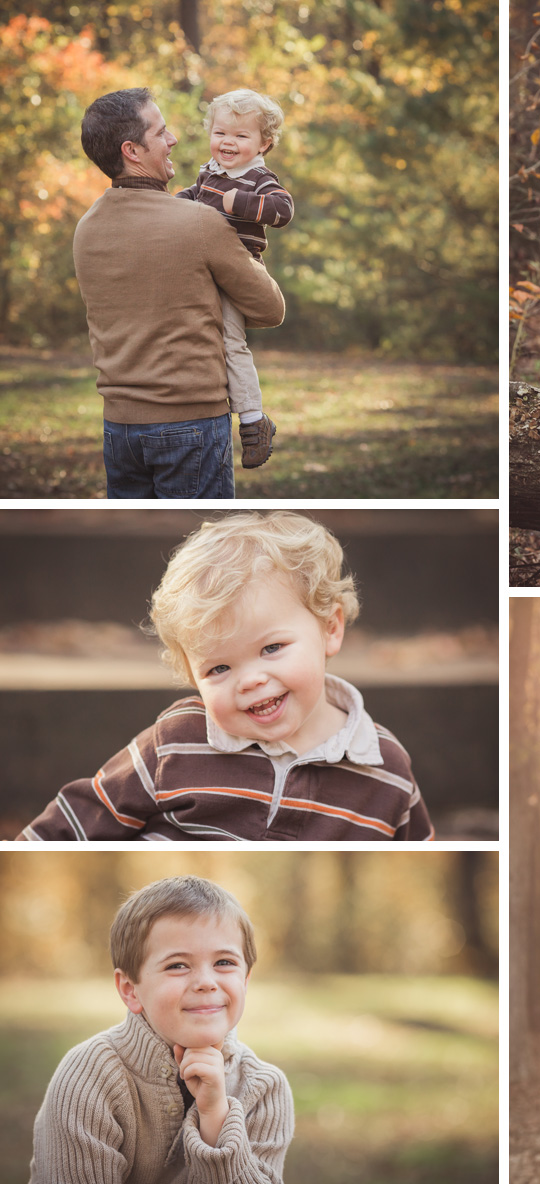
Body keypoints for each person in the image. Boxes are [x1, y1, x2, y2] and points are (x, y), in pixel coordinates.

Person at [16, 512, 434, 842]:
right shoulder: (177, 741)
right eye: (218, 668)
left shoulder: (383, 767)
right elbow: (74, 821)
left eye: (271, 649)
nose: (250, 680)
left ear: (330, 628)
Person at [73, 87, 285, 498]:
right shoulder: (199, 223)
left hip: (119, 431)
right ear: (132, 150)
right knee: (204, 544)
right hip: (191, 424)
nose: (173, 140)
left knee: (137, 548)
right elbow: (269, 308)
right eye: (162, 132)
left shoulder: (87, 227)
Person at [28, 875, 294, 1182]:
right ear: (130, 989)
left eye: (223, 962)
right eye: (177, 965)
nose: (206, 982)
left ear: (245, 980)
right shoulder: (89, 1076)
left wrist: (215, 1119)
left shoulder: (264, 1089)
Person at [177, 89, 295, 470]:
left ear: (264, 143)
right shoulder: (209, 172)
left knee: (231, 341)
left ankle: (253, 421)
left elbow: (283, 210)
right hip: (202, 270)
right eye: (220, 133)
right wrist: (164, 207)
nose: (227, 142)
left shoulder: (258, 178)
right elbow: (192, 195)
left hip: (237, 270)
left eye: (241, 136)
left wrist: (238, 203)